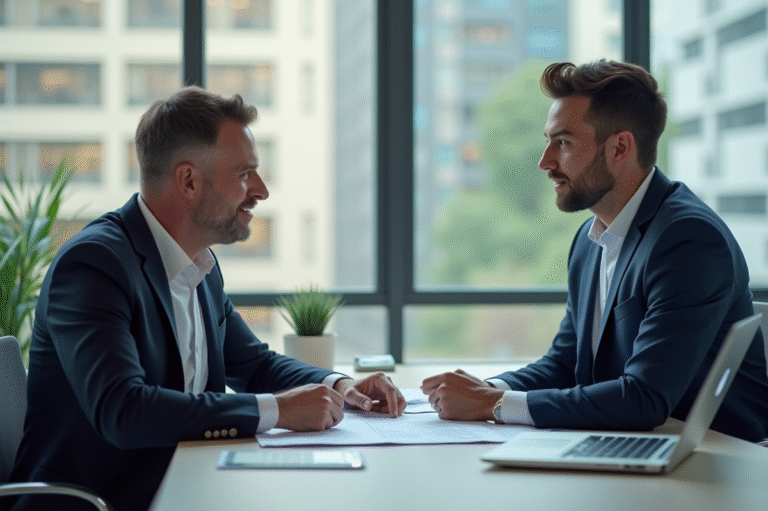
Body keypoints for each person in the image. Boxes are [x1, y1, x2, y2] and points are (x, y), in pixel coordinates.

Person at [8, 86, 405, 511]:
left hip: (188, 487)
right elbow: (123, 410)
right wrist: (276, 411)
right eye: (244, 174)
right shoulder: (94, 266)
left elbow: (254, 364)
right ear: (189, 181)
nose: (262, 190)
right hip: (103, 502)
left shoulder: (199, 264)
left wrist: (340, 386)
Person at [421, 60, 768, 442]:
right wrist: (486, 388)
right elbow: (565, 363)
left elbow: (644, 398)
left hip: (716, 460)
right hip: (639, 444)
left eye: (564, 143)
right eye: (549, 141)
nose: (545, 162)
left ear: (620, 147)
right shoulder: (591, 239)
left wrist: (493, 405)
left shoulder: (688, 240)